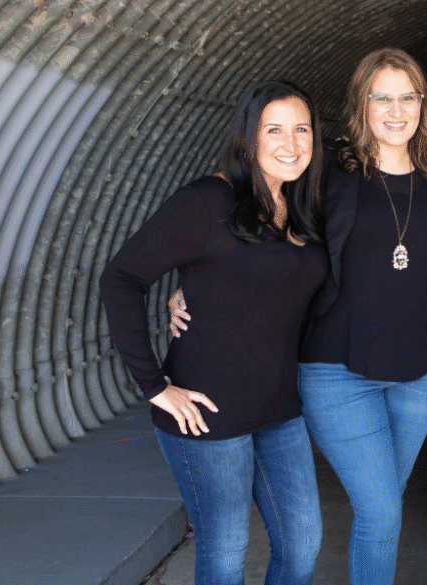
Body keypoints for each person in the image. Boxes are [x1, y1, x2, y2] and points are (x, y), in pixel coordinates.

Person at [171, 48, 427, 585]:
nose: (396, 111)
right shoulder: (327, 171)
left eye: (407, 97)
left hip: (421, 373)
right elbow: (252, 216)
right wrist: (188, 284)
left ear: (424, 104)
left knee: (384, 511)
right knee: (381, 511)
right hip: (339, 371)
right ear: (360, 105)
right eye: (382, 98)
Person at [100, 81, 326, 585]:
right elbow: (122, 278)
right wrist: (155, 387)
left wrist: (192, 289)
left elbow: (261, 285)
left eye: (301, 129)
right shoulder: (208, 200)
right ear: (249, 137)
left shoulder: (303, 206)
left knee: (302, 545)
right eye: (274, 130)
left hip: (280, 411)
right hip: (207, 415)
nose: (291, 143)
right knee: (225, 555)